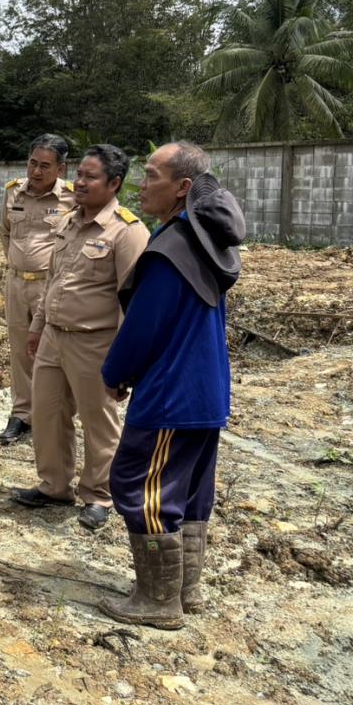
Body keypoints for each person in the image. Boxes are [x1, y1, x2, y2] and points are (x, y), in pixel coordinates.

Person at [98, 143, 245, 630]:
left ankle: (157, 599)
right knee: (188, 488)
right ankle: (186, 590)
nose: (140, 185)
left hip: (172, 393)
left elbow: (144, 326)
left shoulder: (170, 248)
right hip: (205, 390)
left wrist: (115, 373)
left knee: (140, 483)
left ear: (182, 188)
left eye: (150, 175)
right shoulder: (205, 240)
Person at [12, 145, 149, 530]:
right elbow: (54, 281)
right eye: (80, 175)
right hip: (54, 337)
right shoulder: (69, 222)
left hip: (95, 343)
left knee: (98, 421)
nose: (81, 183)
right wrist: (38, 327)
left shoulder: (127, 232)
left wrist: (125, 361)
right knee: (47, 413)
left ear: (114, 183)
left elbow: (132, 303)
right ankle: (54, 485)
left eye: (91, 177)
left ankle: (99, 495)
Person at [0, 134, 75, 445]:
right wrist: (18, 264)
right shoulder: (13, 192)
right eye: (32, 163)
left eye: (45, 166)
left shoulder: (71, 198)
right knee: (20, 351)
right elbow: (5, 233)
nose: (36, 171)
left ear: (60, 168)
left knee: (52, 351)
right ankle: (22, 414)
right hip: (16, 283)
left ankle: (53, 414)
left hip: (50, 285)